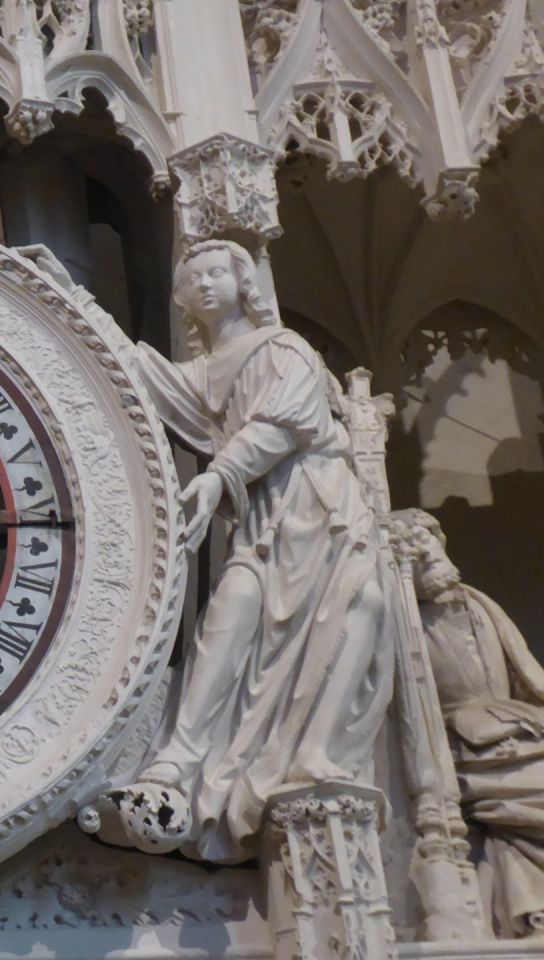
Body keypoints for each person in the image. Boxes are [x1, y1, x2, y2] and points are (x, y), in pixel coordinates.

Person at [108, 240, 392, 861]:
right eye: (194, 278)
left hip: (319, 501)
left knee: (354, 609)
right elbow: (136, 369)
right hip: (262, 514)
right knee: (232, 610)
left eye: (219, 272)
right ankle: (177, 763)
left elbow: (284, 424)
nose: (207, 284)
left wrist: (218, 476)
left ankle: (311, 754)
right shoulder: (204, 373)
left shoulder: (283, 348)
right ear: (183, 299)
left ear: (244, 283)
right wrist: (68, 297)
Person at [396, 508, 544, 937]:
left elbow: (525, 674)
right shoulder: (404, 621)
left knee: (510, 828)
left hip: (521, 726)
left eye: (428, 537)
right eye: (413, 548)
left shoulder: (477, 601)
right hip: (464, 749)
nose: (427, 551)